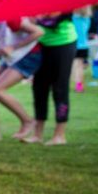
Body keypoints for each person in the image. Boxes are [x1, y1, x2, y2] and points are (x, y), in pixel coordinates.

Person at [0, 18, 44, 144]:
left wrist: (13, 47)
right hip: (12, 58)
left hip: (28, 56)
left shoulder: (12, 19)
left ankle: (28, 121)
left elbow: (38, 32)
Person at [29, 13, 78, 146]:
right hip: (42, 43)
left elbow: (53, 13)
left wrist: (38, 16)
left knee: (60, 89)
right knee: (39, 88)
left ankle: (59, 135)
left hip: (64, 43)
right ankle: (37, 134)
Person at [71, 6, 92, 92]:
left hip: (73, 44)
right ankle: (79, 84)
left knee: (74, 66)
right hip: (84, 45)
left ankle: (77, 83)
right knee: (79, 66)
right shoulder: (87, 19)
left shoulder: (72, 19)